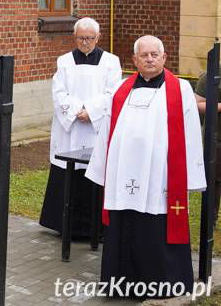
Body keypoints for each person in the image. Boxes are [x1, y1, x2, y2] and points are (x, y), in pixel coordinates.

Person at [86, 35, 205, 299]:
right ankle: (122, 285)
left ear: (164, 58)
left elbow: (191, 134)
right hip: (123, 174)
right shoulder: (120, 89)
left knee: (156, 226)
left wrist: (191, 174)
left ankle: (162, 284)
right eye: (144, 55)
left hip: (160, 178)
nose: (150, 59)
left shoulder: (181, 89)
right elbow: (107, 128)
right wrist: (101, 166)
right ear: (134, 60)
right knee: (124, 225)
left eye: (155, 54)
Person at [39, 17, 121, 238]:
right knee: (68, 173)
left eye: (90, 38)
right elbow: (58, 92)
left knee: (92, 173)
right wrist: (77, 112)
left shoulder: (111, 62)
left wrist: (91, 112)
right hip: (71, 126)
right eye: (81, 38)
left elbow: (113, 93)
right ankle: (66, 225)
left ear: (98, 38)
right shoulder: (64, 61)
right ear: (74, 38)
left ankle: (96, 228)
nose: (85, 42)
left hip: (96, 127)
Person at [194, 70, 221, 217]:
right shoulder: (210, 76)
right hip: (216, 139)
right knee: (214, 181)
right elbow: (197, 104)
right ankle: (212, 218)